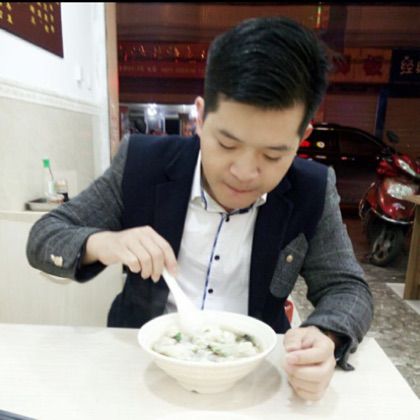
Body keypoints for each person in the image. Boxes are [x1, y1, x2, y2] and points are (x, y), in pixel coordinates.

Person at [26, 16, 373, 401]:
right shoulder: (142, 163)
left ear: (302, 137)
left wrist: (326, 337)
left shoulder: (312, 188)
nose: (244, 172)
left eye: (273, 155)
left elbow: (348, 288)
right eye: (227, 144)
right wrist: (105, 242)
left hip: (253, 377)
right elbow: (45, 237)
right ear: (201, 117)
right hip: (142, 370)